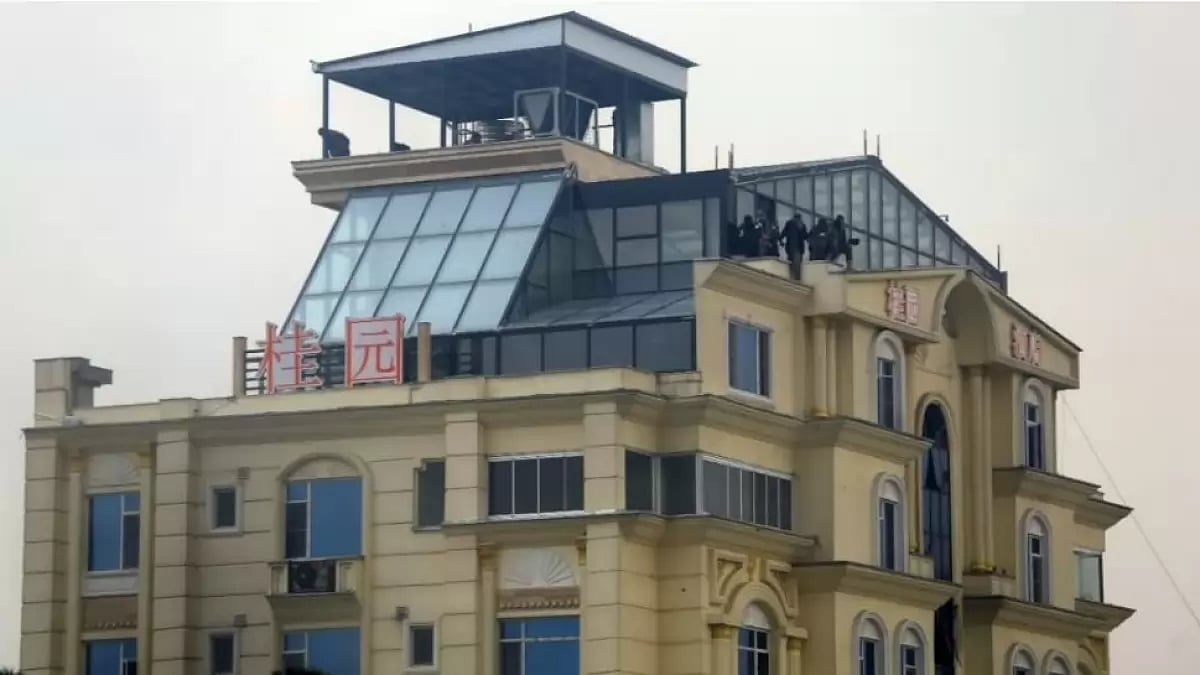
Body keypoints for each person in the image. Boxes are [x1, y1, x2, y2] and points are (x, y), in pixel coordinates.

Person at [781, 214, 808, 279]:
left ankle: (791, 278)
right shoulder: (801, 225)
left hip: (790, 248)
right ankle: (797, 280)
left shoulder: (789, 224)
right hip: (798, 248)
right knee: (797, 266)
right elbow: (805, 236)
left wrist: (780, 240)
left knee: (791, 264)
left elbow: (783, 233)